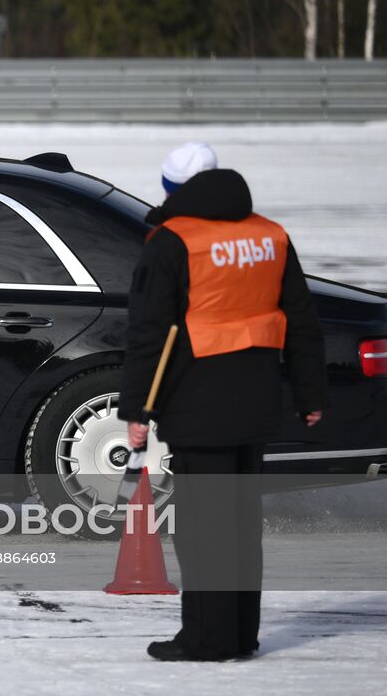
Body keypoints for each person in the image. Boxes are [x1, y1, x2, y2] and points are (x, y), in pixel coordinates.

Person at [120, 142, 327, 662]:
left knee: (203, 530)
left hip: (197, 404)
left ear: (173, 189)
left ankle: (207, 640)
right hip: (256, 402)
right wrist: (310, 394)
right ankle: (240, 635)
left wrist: (137, 410)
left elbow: (149, 333)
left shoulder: (173, 241)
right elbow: (302, 320)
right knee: (239, 526)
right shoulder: (269, 236)